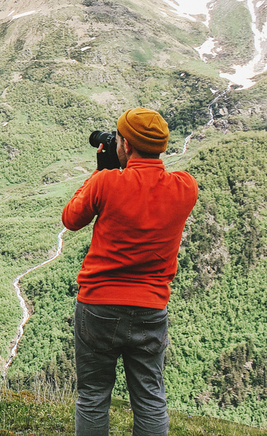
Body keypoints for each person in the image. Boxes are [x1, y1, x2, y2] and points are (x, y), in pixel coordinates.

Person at [62, 107, 198, 436]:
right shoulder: (185, 188)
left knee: (93, 396)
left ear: (124, 144)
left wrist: (102, 171)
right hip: (151, 306)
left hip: (98, 305)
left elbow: (71, 218)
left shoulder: (107, 182)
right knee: (150, 399)